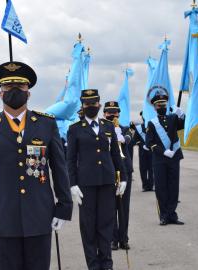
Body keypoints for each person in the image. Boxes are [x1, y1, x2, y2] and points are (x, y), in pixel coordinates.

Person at [0, 61, 73, 270]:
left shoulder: (46, 124)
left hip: (40, 213)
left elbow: (59, 168)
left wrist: (64, 206)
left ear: (29, 93)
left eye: (21, 87)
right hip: (3, 216)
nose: (14, 91)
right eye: (8, 87)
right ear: (0, 94)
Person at [67, 90, 126, 270]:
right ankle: (93, 265)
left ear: (99, 105)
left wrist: (122, 177)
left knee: (106, 224)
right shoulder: (75, 129)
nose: (91, 107)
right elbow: (70, 159)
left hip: (107, 183)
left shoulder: (108, 126)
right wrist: (72, 184)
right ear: (83, 106)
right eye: (87, 104)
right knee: (88, 227)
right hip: (86, 185)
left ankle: (107, 264)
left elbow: (116, 154)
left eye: (94, 104)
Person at [145, 89, 185, 226]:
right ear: (155, 107)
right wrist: (163, 152)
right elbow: (149, 143)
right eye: (159, 105)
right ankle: (163, 216)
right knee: (161, 188)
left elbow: (184, 124)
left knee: (174, 187)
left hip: (174, 157)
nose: (161, 107)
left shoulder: (173, 118)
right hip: (160, 160)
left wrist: (181, 114)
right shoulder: (151, 123)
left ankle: (172, 214)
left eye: (163, 104)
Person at [103, 101, 133, 251]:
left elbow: (129, 138)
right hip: (109, 172)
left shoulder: (125, 129)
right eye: (109, 112)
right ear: (104, 114)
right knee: (111, 207)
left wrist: (123, 138)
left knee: (124, 208)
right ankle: (113, 239)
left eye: (115, 112)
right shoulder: (101, 129)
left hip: (124, 171)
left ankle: (124, 238)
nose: (113, 115)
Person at [133, 111, 154, 192]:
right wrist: (141, 144)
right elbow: (135, 139)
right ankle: (145, 186)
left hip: (152, 151)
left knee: (152, 169)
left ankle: (151, 185)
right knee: (143, 169)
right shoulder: (138, 128)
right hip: (142, 152)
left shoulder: (152, 127)